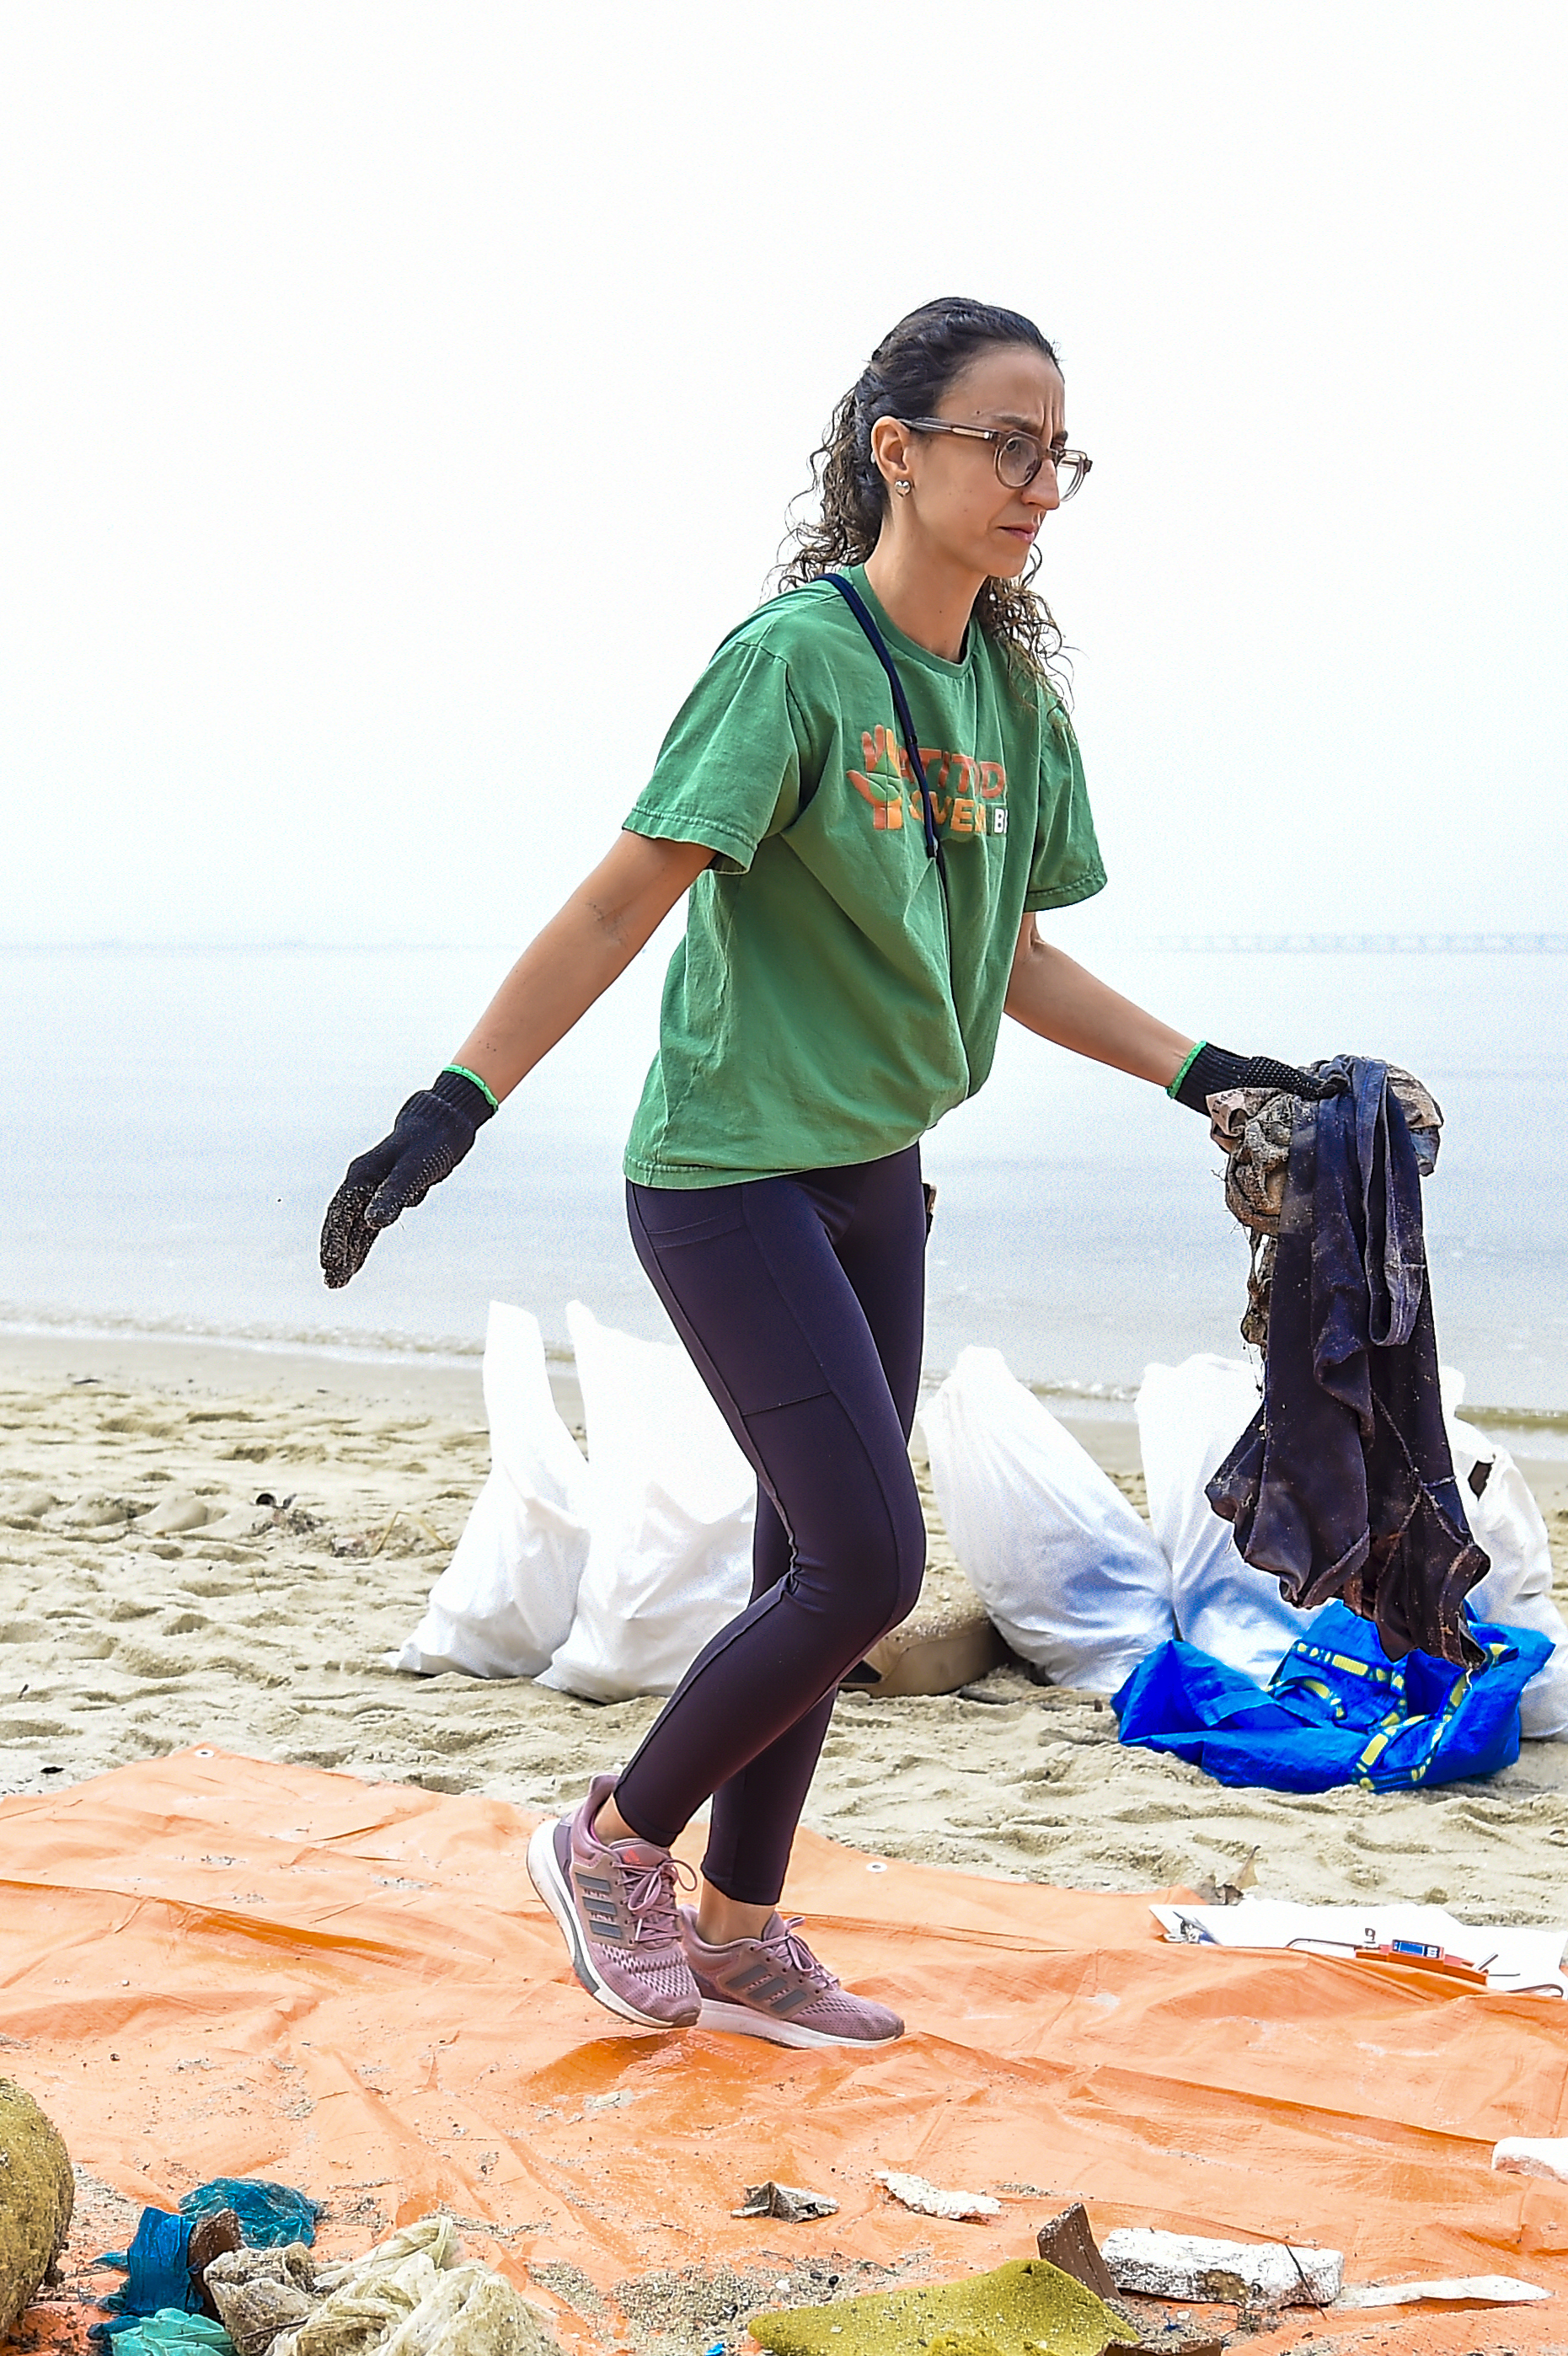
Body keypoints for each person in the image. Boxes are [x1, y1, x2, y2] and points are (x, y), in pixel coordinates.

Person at [316, 297, 1330, 2049]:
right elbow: (623, 896)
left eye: (1059, 452)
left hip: (876, 1171)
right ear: (897, 448)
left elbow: (1007, 951)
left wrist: (1205, 1074)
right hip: (729, 1175)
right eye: (1006, 444)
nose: (1039, 484)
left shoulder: (1010, 695)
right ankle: (612, 1845)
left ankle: (738, 1930)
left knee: (810, 1553)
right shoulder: (795, 660)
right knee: (865, 1568)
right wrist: (451, 1106)